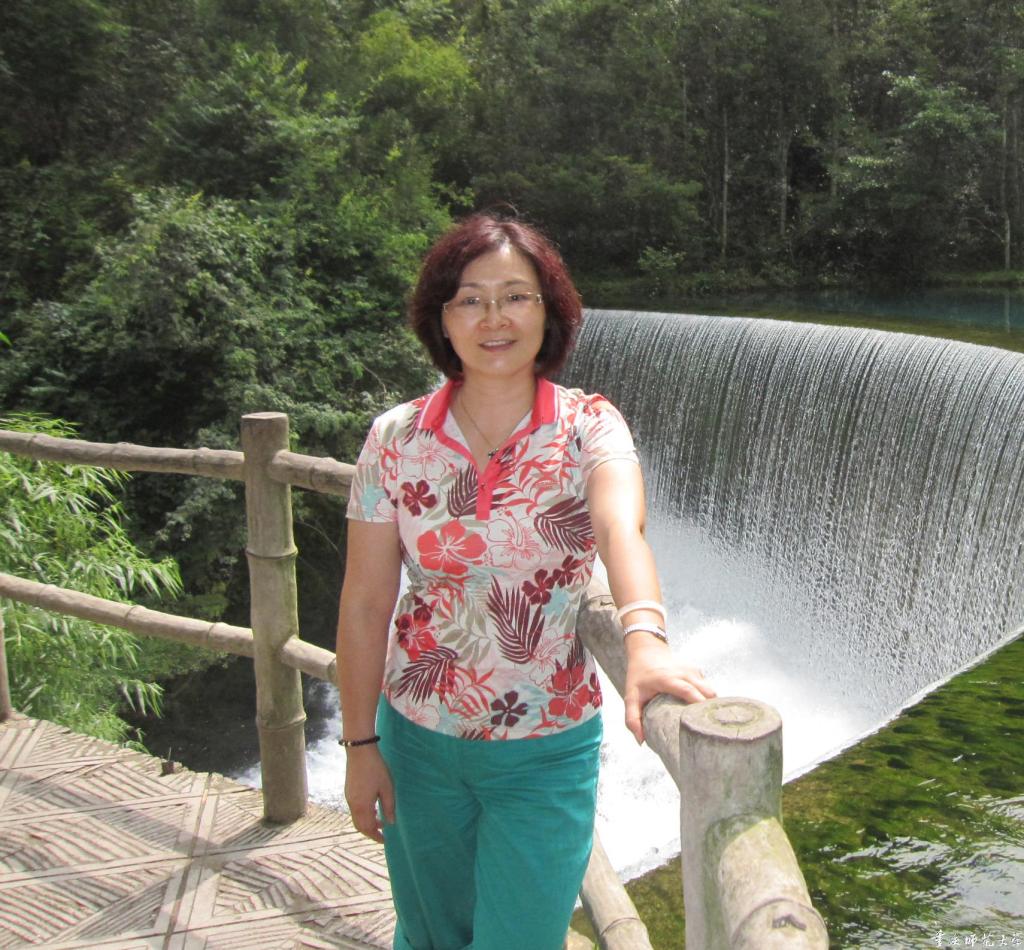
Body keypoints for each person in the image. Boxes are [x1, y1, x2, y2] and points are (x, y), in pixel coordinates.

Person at [336, 212, 715, 950]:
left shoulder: (588, 427)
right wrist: (359, 746)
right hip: (414, 740)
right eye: (470, 299)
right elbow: (365, 601)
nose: (494, 318)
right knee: (429, 936)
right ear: (441, 318)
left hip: (544, 747)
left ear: (550, 311)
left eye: (516, 296)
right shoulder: (395, 438)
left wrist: (645, 641)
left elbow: (620, 528)